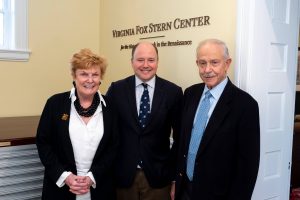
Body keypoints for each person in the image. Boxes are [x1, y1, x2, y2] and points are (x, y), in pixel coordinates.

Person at [175, 39, 260, 200]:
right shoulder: (190, 94)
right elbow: (182, 142)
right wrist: (176, 181)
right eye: (202, 63)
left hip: (218, 194)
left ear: (227, 64)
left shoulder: (245, 105)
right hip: (184, 190)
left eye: (214, 62)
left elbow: (247, 166)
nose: (207, 69)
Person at [36, 49, 118, 200]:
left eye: (95, 74)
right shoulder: (54, 104)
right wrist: (65, 176)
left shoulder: (111, 107)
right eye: (84, 74)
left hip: (100, 188)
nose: (90, 80)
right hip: (61, 190)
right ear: (74, 76)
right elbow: (43, 143)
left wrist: (93, 177)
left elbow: (114, 147)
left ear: (101, 78)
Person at [106, 41, 183, 200]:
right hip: (123, 177)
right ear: (132, 62)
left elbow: (180, 139)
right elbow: (107, 133)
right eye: (140, 60)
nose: (146, 65)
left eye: (151, 60)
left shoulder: (173, 92)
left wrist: (175, 177)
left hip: (159, 179)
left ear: (157, 61)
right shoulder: (116, 90)